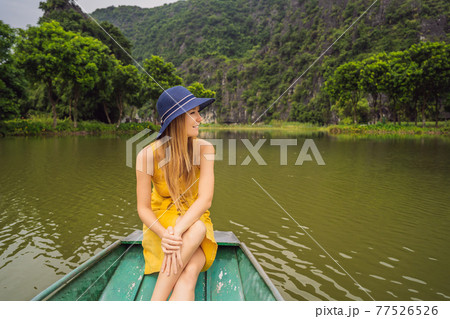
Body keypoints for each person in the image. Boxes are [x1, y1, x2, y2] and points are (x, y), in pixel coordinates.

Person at [135, 86, 218, 301]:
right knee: (189, 269)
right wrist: (167, 236)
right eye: (193, 112)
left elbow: (205, 200)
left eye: (198, 112)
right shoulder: (147, 156)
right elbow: (143, 209)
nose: (200, 118)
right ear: (177, 119)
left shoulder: (205, 149)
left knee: (189, 269)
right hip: (162, 224)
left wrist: (178, 231)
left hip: (193, 220)